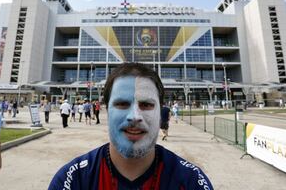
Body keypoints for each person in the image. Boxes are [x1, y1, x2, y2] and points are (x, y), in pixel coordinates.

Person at [48, 63, 213, 189]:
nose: (135, 116)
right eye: (122, 104)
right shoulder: (73, 180)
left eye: (146, 105)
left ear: (160, 109)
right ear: (106, 109)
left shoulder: (191, 181)